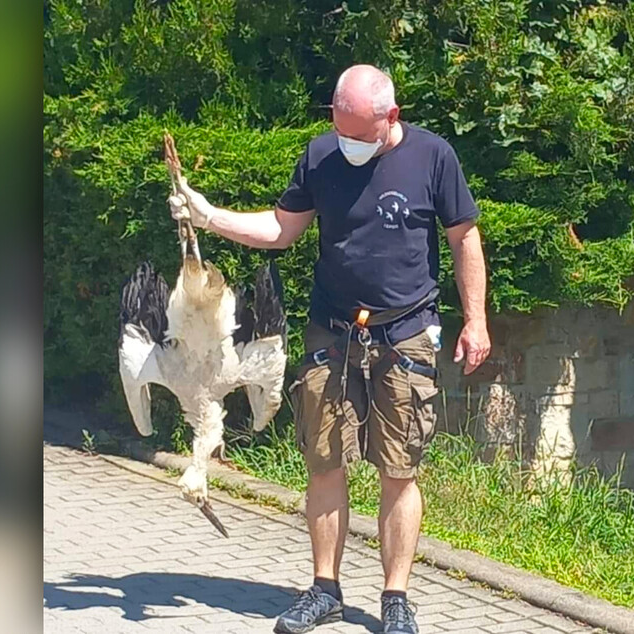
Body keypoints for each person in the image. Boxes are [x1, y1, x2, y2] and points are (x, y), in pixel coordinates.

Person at [169, 64, 490, 634]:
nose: (347, 145)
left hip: (405, 334)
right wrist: (208, 216)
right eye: (339, 130)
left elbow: (464, 236)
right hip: (332, 333)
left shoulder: (434, 157)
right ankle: (325, 590)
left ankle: (396, 600)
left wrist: (475, 319)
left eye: (358, 134)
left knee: (399, 469)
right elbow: (281, 229)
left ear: (391, 117)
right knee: (324, 463)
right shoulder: (320, 156)